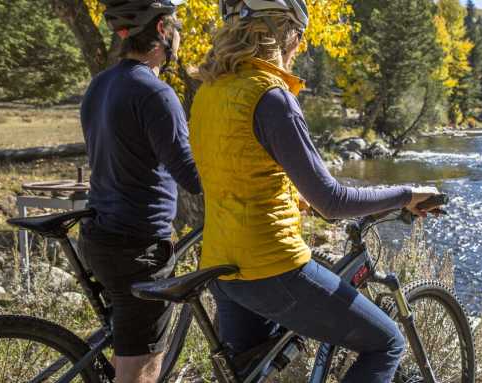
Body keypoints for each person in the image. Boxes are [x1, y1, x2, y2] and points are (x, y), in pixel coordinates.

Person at [189, 0, 441, 381]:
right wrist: (405, 195)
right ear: (280, 32)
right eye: (298, 34)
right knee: (386, 343)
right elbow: (332, 201)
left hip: (221, 267)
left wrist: (291, 196)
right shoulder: (271, 98)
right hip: (270, 267)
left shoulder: (209, 92)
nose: (299, 46)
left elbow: (235, 167)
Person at [79, 1, 201, 382]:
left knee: (126, 351)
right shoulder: (156, 93)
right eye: (177, 26)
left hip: (100, 237)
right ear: (163, 30)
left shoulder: (100, 84)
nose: (179, 35)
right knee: (143, 368)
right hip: (137, 247)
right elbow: (191, 175)